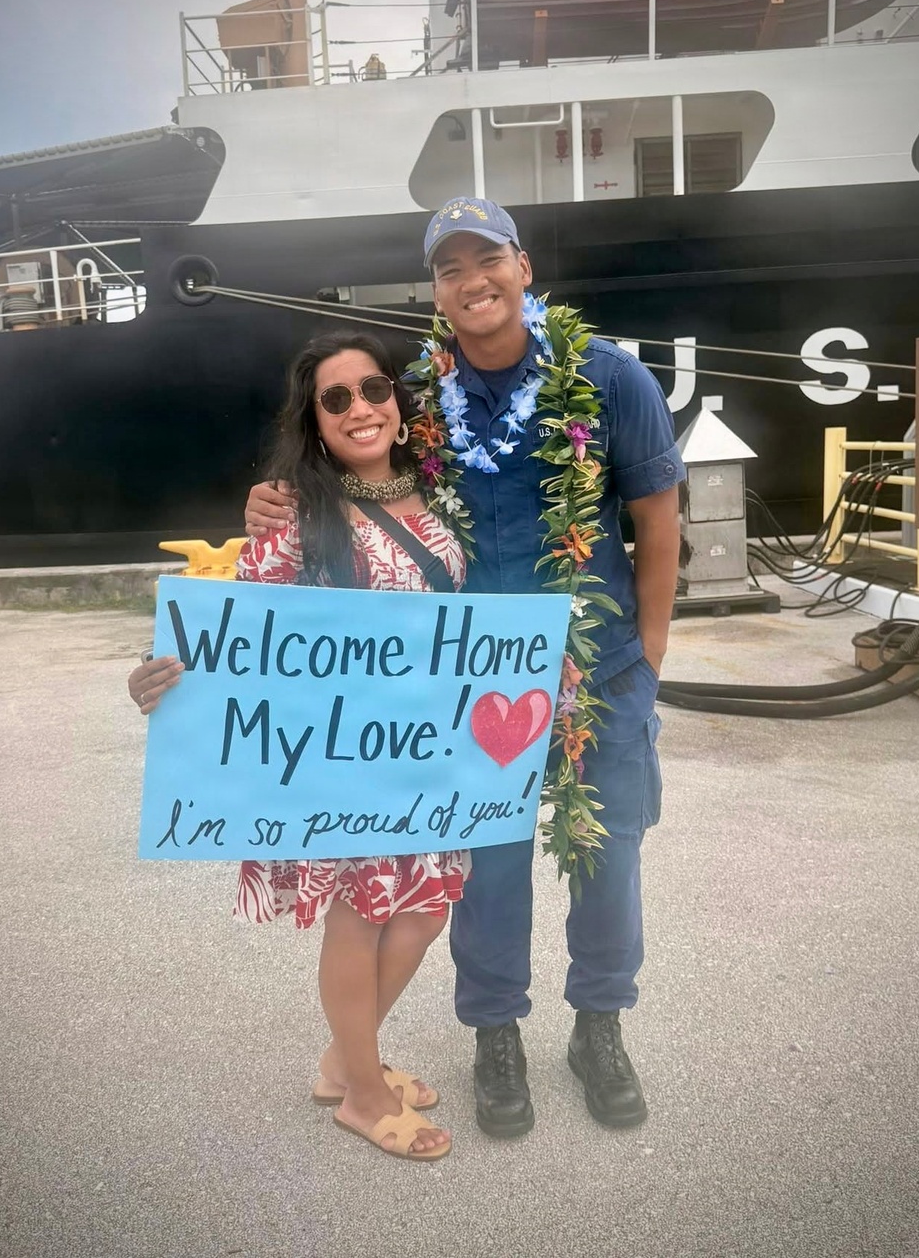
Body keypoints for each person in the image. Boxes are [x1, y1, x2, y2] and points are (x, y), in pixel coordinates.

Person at [246, 198, 685, 1139]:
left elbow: (659, 526)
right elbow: (360, 476)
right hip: (473, 687)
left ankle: (599, 1027)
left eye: (487, 257)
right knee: (486, 870)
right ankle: (495, 1033)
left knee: (609, 856)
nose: (471, 279)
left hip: (597, 670)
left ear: (523, 267)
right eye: (450, 268)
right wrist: (276, 504)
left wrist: (647, 660)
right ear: (435, 292)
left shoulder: (610, 379)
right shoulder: (419, 393)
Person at [129, 331, 468, 1162]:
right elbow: (242, 634)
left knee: (426, 909)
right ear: (314, 420)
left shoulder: (436, 495)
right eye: (336, 397)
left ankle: (338, 1060)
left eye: (374, 388)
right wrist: (159, 676)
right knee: (363, 914)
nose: (361, 407)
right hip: (339, 760)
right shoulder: (295, 516)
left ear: (399, 400)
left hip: (429, 750)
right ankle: (361, 1091)